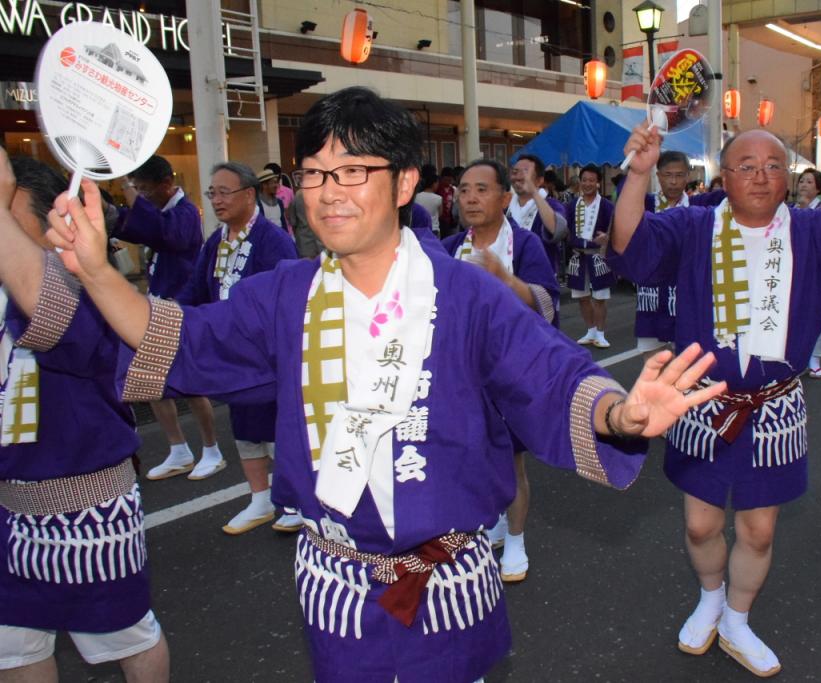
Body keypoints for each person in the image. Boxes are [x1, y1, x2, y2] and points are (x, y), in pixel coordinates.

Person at [45, 85, 725, 683]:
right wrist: (97, 270)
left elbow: (549, 374)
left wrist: (620, 414)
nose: (329, 191)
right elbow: (187, 342)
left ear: (404, 183)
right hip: (337, 579)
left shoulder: (465, 294)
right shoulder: (285, 295)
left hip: (448, 576)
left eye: (352, 171)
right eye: (314, 174)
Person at [608, 73, 821, 677]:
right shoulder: (694, 227)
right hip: (702, 399)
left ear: (788, 177)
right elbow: (630, 246)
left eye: (772, 165)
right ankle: (709, 600)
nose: (759, 174)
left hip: (774, 402)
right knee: (701, 521)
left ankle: (737, 616)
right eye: (744, 165)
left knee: (757, 531)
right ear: (724, 177)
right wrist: (637, 175)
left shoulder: (815, 232)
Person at [0, 152, 170, 682]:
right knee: (14, 646)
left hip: (86, 503)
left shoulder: (80, 286)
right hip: (8, 503)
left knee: (125, 634)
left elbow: (56, 322)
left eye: (11, 214)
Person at [442, 158, 560, 584]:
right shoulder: (451, 245)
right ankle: (489, 523)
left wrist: (505, 279)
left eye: (482, 189)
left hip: (511, 371)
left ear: (505, 198)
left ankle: (515, 538)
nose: (470, 197)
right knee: (472, 455)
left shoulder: (524, 245)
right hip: (463, 372)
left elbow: (547, 302)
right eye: (464, 189)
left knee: (511, 462)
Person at [179, 161, 301, 534]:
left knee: (279, 426)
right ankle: (259, 498)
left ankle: (293, 499)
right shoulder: (216, 241)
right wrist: (168, 316)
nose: (216, 199)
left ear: (249, 195)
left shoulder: (273, 240)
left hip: (268, 355)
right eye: (212, 192)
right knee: (244, 424)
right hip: (232, 355)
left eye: (224, 191)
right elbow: (196, 291)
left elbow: (288, 298)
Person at [109, 154, 225, 482]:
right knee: (151, 382)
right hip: (156, 303)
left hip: (180, 307)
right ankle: (178, 448)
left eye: (145, 190)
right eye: (138, 190)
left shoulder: (185, 212)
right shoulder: (163, 211)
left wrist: (128, 194)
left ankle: (211, 448)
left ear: (166, 184)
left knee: (190, 385)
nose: (141, 196)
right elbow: (137, 227)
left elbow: (162, 235)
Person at [635, 151, 724, 355]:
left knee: (688, 354)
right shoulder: (645, 203)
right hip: (652, 288)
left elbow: (730, 197)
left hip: (686, 287)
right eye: (668, 175)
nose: (673, 181)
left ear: (688, 176)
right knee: (651, 356)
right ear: (658, 176)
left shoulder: (701, 205)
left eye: (679, 175)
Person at [567, 164, 614, 348]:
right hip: (578, 255)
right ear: (580, 181)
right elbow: (567, 228)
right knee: (582, 296)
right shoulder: (572, 205)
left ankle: (601, 333)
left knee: (600, 297)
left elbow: (616, 228)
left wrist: (608, 237)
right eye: (584, 180)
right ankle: (590, 330)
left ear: (598, 183)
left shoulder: (607, 205)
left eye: (591, 180)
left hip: (598, 255)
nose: (587, 184)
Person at [793, 168, 821, 377]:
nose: (804, 185)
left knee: (816, 312)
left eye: (809, 182)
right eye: (802, 181)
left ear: (818, 188)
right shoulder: (790, 208)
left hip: (815, 268)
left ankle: (814, 358)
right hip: (794, 267)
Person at [508, 154, 568, 276]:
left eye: (525, 171)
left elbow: (557, 230)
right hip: (508, 277)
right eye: (515, 171)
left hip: (540, 278)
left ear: (540, 180)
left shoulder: (552, 204)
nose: (519, 176)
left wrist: (533, 192)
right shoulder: (506, 207)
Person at [256, 168, 291, 234]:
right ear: (264, 185)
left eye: (276, 182)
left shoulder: (279, 202)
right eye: (273, 183)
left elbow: (283, 223)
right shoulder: (257, 204)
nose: (276, 185)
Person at [414, 171, 443, 236]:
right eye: (437, 183)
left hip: (419, 228)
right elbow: (440, 213)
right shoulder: (439, 198)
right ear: (434, 184)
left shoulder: (416, 197)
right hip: (434, 228)